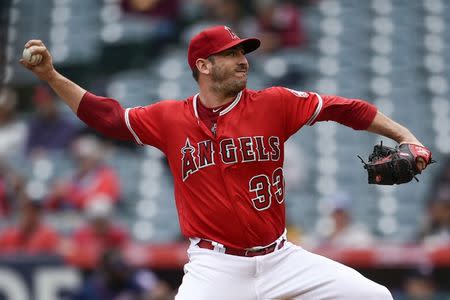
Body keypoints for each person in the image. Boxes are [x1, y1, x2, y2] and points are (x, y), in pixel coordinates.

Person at [21, 25, 433, 299]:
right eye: (231, 53)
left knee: (375, 296)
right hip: (214, 266)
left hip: (281, 258)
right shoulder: (169, 118)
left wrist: (406, 137)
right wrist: (53, 77)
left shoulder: (274, 104)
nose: (243, 59)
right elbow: (106, 116)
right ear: (203, 66)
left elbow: (347, 108)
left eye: (243, 51)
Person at [45, 135, 121, 211]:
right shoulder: (70, 176)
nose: (82, 162)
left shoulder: (107, 176)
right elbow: (51, 202)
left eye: (86, 158)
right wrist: (56, 196)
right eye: (79, 158)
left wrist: (68, 195)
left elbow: (99, 201)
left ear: (95, 158)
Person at [25, 84, 79, 158]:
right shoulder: (34, 124)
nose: (43, 106)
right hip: (36, 163)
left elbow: (60, 148)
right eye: (40, 103)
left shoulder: (67, 124)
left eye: (47, 101)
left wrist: (43, 152)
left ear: (55, 101)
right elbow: (27, 149)